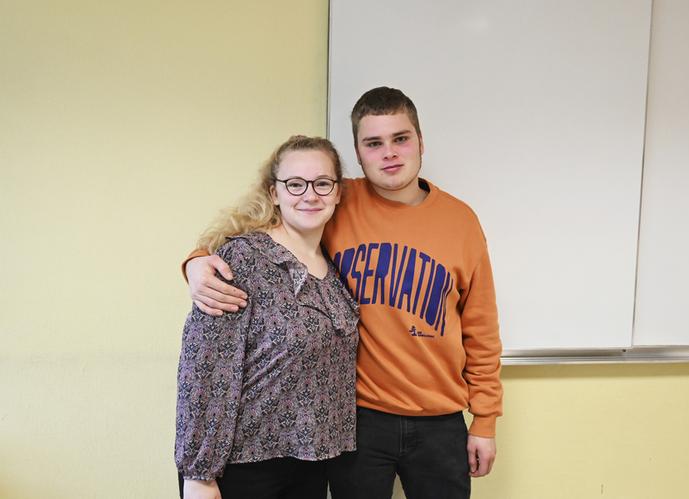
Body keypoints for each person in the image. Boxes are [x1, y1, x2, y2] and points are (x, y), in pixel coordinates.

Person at [184, 87, 503, 499]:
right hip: (359, 420)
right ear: (358, 152)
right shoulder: (335, 201)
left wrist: (485, 419)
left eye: (400, 138)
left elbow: (481, 329)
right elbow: (251, 234)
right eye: (374, 143)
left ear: (421, 142)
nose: (389, 153)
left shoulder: (461, 220)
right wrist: (195, 261)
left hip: (440, 418)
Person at [175, 135, 360, 499]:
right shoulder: (241, 261)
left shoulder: (334, 272)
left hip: (311, 463)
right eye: (295, 184)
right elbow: (205, 369)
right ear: (274, 193)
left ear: (338, 192)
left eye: (322, 184)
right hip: (245, 467)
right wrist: (199, 475)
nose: (310, 195)